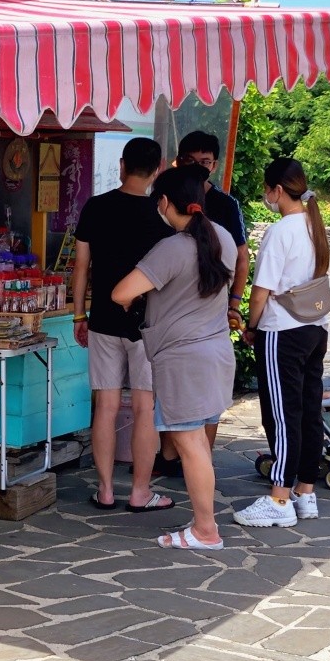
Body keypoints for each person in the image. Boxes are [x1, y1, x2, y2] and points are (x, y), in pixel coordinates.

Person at [112, 164, 235, 550]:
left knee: (191, 447)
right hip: (215, 352)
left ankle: (205, 530)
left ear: (165, 203)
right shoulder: (224, 239)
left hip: (183, 359)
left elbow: (120, 292)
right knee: (198, 444)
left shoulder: (173, 248)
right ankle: (204, 525)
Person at [71, 137, 174, 513]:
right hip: (149, 324)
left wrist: (79, 314)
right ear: (158, 169)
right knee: (146, 407)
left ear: (121, 165)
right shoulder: (161, 216)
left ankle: (105, 490)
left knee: (106, 406)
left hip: (102, 319)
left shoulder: (96, 207)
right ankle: (140, 492)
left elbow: (81, 266)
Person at [234, 157, 330, 527]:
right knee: (306, 411)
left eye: (266, 190)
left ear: (276, 190)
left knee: (281, 414)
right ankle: (305, 493)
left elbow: (260, 292)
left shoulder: (281, 231)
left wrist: (251, 326)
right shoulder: (314, 225)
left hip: (282, 331)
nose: (266, 197)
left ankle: (278, 498)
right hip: (314, 327)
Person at [154, 130, 250, 475]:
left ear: (216, 163)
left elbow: (242, 258)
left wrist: (235, 303)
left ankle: (199, 461)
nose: (199, 168)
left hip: (209, 313)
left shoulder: (225, 206)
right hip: (171, 315)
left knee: (208, 395)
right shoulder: (166, 205)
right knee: (169, 389)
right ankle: (168, 456)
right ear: (178, 161)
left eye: (206, 162)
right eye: (192, 161)